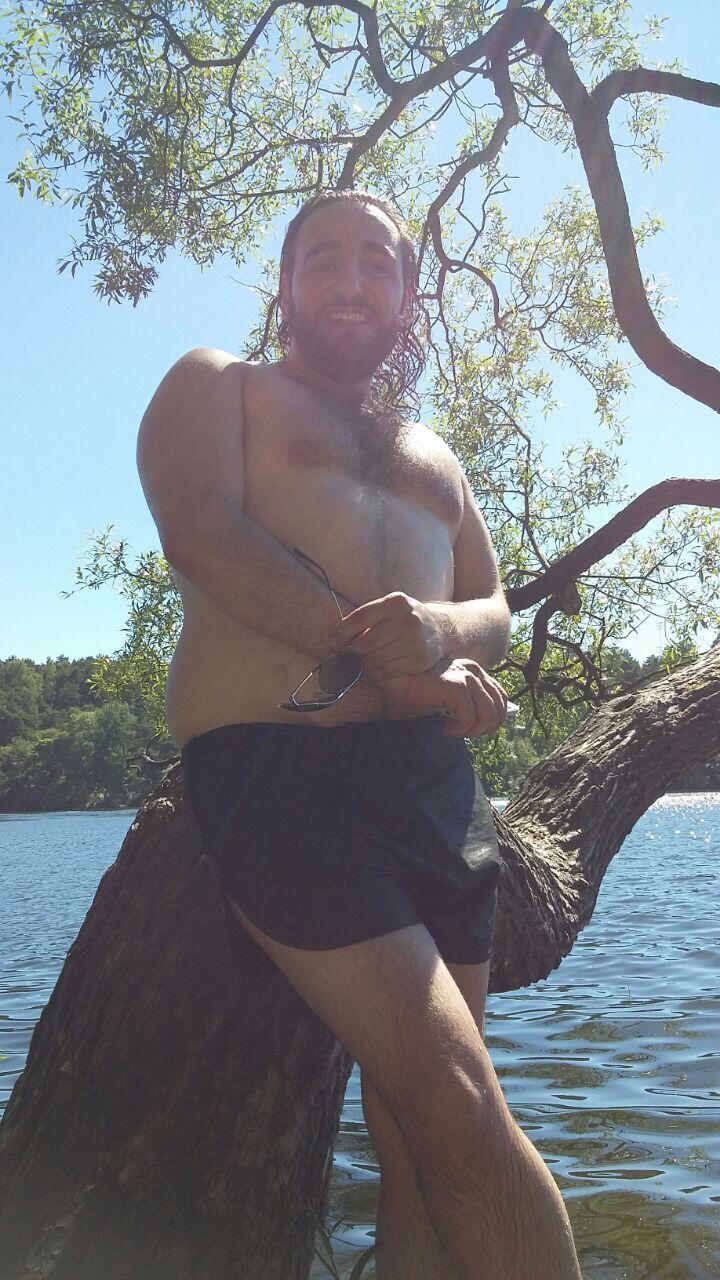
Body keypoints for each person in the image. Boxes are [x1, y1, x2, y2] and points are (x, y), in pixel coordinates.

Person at [136, 190, 581, 1279]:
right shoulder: (220, 385)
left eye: (377, 262)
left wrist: (442, 636)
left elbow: (493, 604)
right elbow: (201, 533)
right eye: (322, 257)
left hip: (434, 782)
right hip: (279, 770)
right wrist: (390, 655)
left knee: (420, 1127)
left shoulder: (436, 453)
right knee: (460, 1098)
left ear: (406, 295)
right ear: (282, 285)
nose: (350, 277)